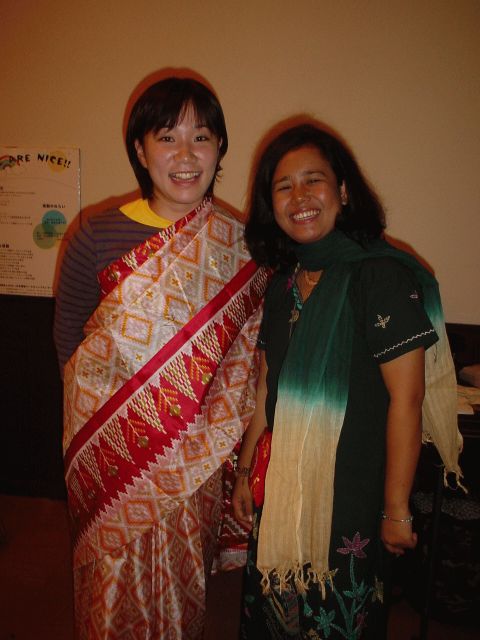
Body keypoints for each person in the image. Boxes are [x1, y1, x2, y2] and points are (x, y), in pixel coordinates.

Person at [54, 76, 268, 639]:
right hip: (109, 451)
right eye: (167, 137)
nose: (186, 156)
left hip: (193, 457)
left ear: (220, 148)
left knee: (180, 586)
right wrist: (105, 431)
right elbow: (70, 343)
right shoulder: (96, 234)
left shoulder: (242, 245)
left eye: (201, 137)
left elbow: (250, 359)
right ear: (140, 149)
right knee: (108, 584)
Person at [232, 123, 463, 639]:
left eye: (313, 180)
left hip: (351, 492)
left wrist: (397, 510)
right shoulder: (283, 284)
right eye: (284, 186)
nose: (299, 197)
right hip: (281, 485)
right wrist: (246, 469)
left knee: (339, 617)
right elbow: (268, 387)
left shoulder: (380, 277)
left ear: (342, 190)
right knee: (274, 613)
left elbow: (407, 399)